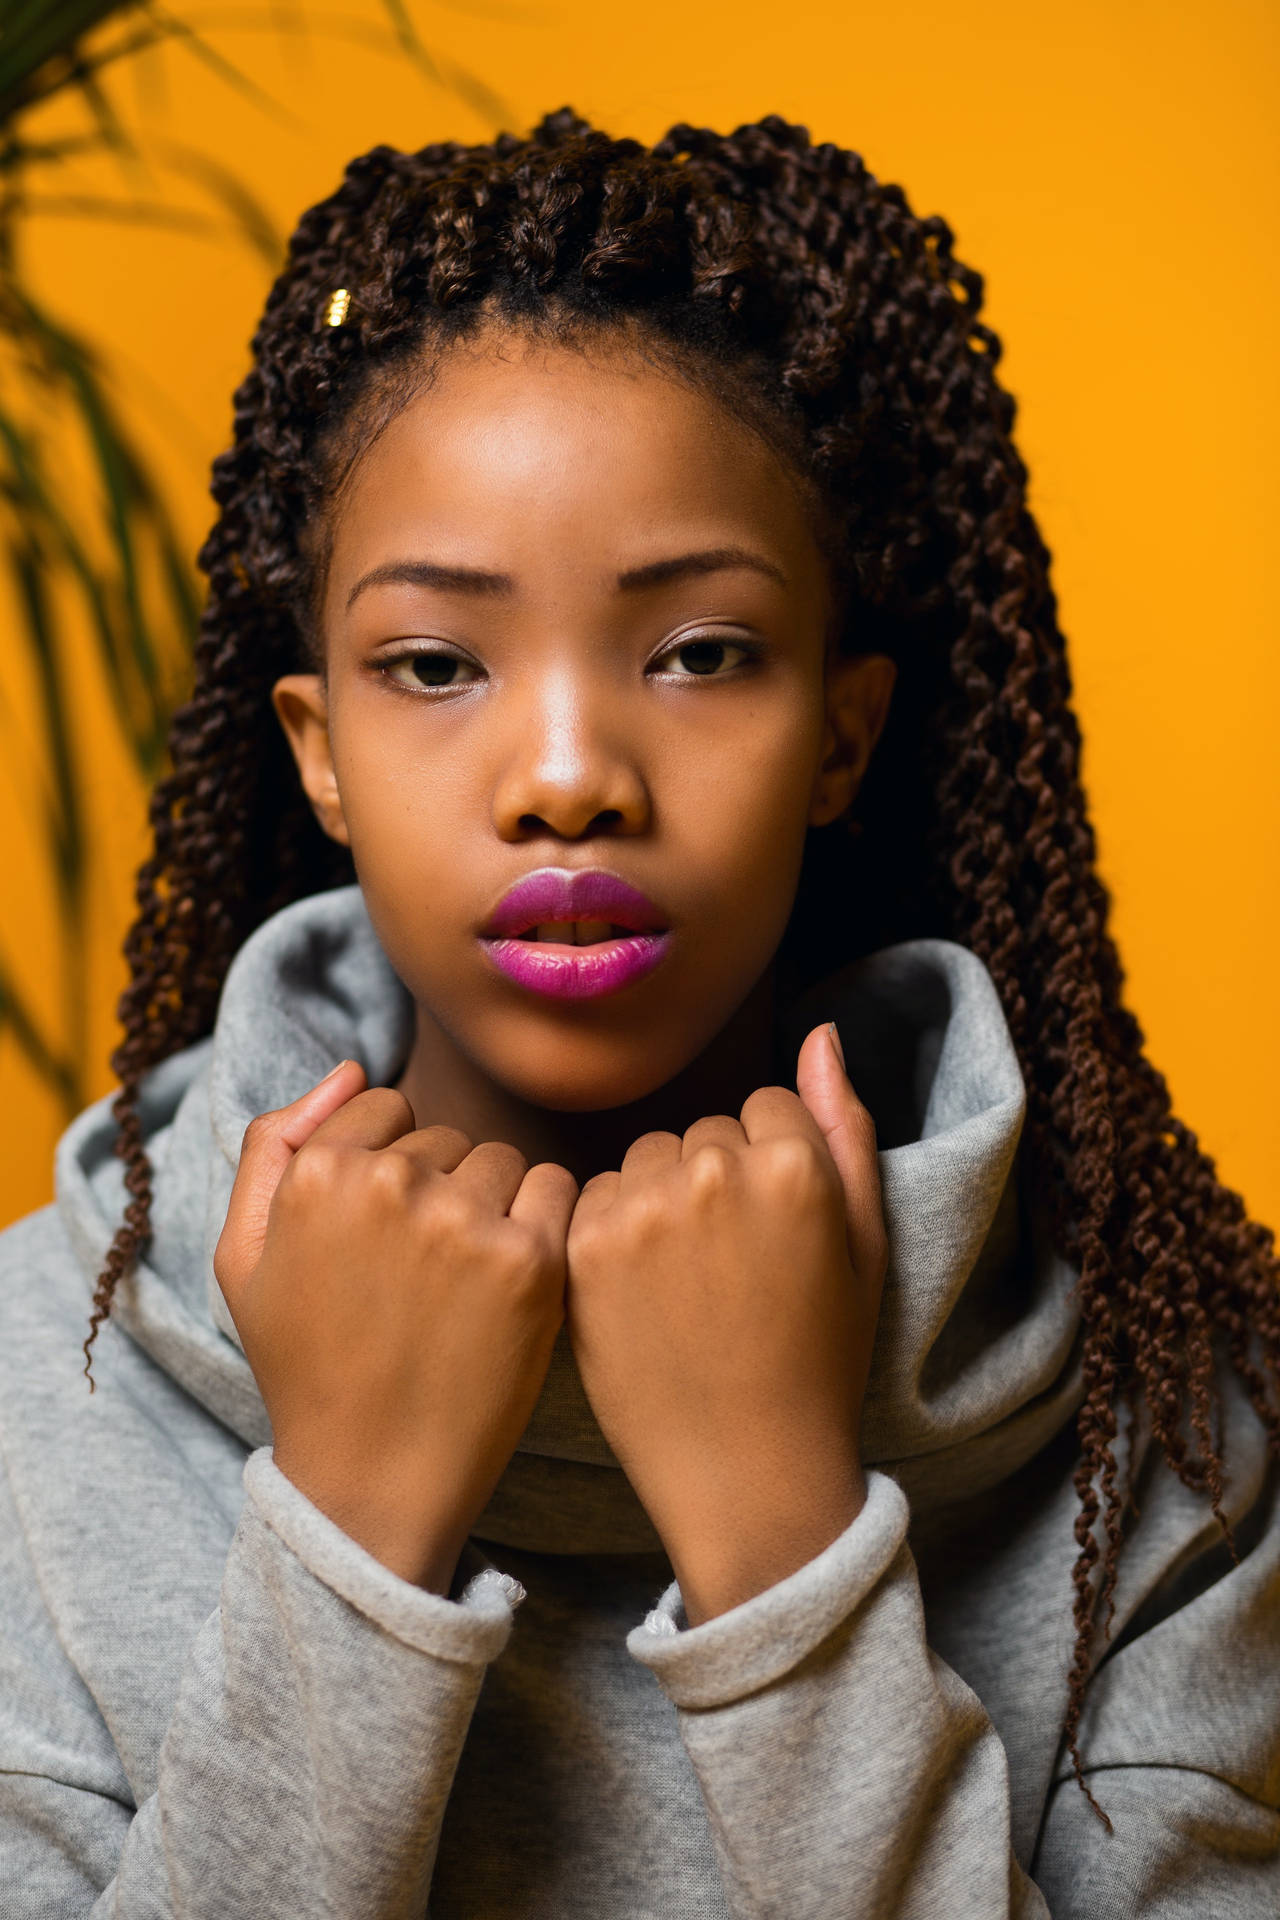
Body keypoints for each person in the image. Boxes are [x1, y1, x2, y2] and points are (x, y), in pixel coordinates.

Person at [0, 105, 1276, 1918]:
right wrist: (348, 1544)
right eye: (435, 665)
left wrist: (787, 1551)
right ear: (322, 754)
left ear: (841, 731)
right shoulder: (39, 1382)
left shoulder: (1177, 1439)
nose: (570, 775)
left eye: (698, 654)